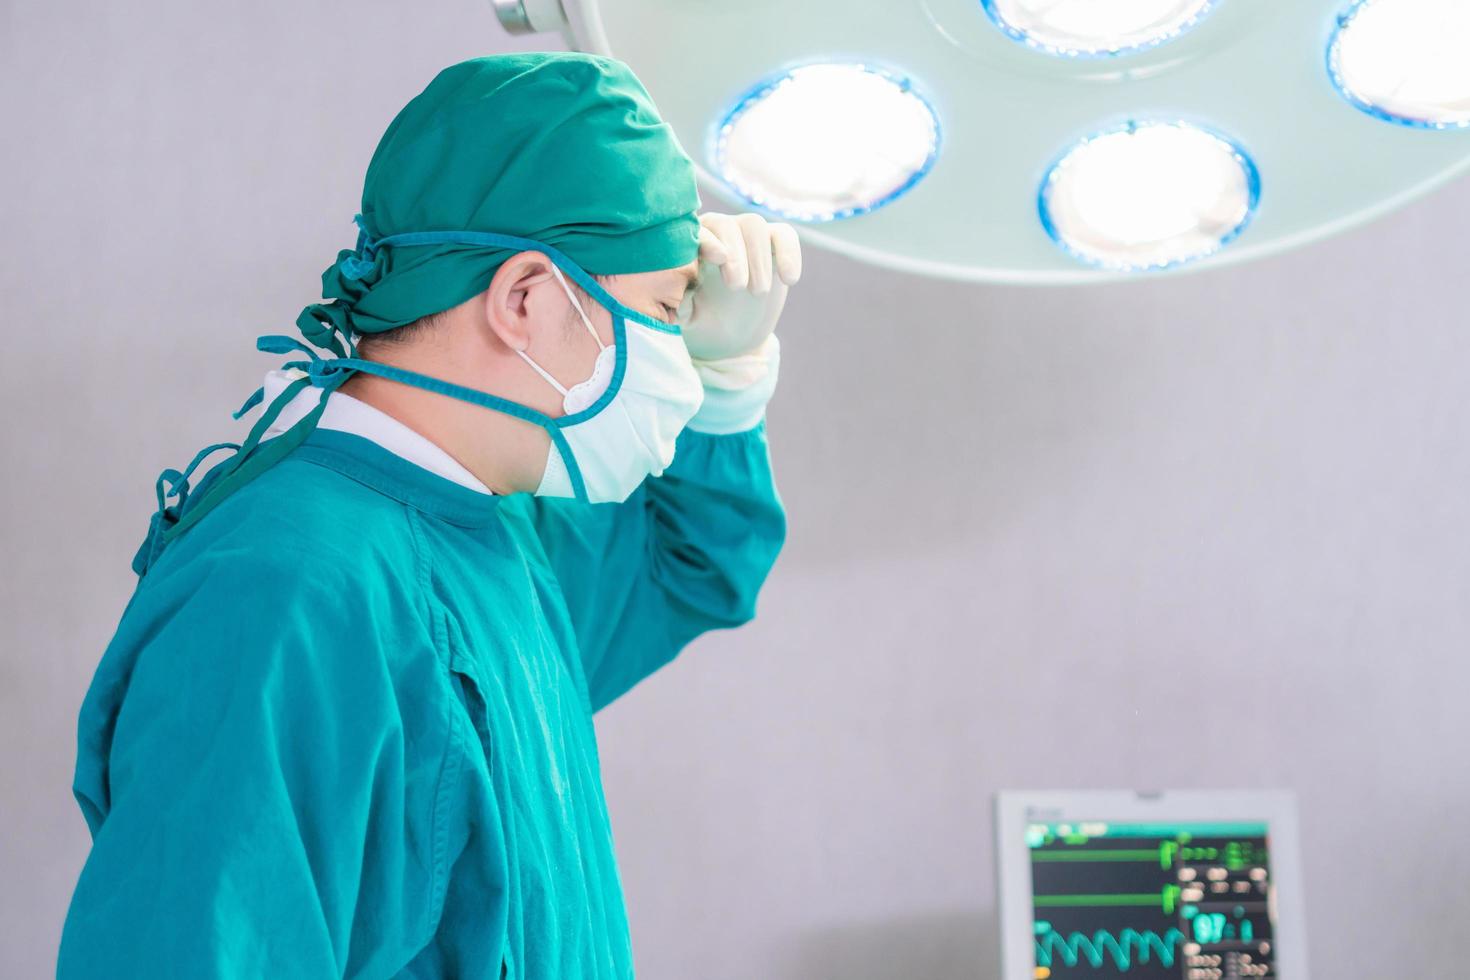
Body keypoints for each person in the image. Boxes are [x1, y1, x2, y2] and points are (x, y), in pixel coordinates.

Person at [57, 51, 799, 979]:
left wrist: (731, 388)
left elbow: (690, 567)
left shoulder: (490, 533)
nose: (677, 368)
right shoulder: (288, 595)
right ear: (524, 301)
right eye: (663, 315)